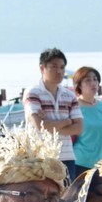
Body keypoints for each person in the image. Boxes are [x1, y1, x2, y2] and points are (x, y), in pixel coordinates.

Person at [23, 48, 82, 177]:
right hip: (40, 157)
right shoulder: (32, 93)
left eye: (62, 67)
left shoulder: (70, 95)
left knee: (68, 190)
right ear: (42, 68)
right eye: (54, 67)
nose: (59, 71)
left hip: (67, 157)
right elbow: (39, 125)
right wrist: (67, 121)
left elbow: (79, 128)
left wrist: (49, 124)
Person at [70, 66, 102, 178]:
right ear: (79, 85)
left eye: (95, 79)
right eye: (87, 80)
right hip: (80, 164)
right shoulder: (74, 107)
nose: (93, 83)